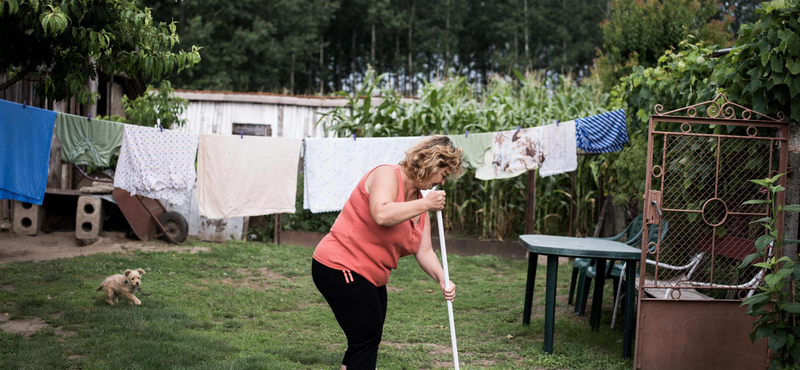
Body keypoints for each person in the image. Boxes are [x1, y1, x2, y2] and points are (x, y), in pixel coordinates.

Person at [312, 135, 464, 370]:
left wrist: (443, 278)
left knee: (366, 340)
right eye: (443, 175)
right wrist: (426, 204)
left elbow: (424, 251)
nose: (442, 183)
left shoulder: (420, 203)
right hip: (340, 265)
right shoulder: (387, 174)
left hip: (372, 276)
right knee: (366, 336)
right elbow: (381, 214)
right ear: (432, 162)